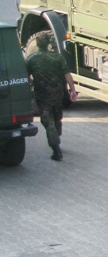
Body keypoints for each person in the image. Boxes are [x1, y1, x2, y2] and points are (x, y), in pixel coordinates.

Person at [25, 33, 77, 161]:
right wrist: (73, 90)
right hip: (58, 94)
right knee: (57, 117)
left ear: (37, 44)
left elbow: (26, 77)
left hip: (43, 95)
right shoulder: (57, 58)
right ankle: (57, 136)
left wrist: (34, 83)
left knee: (48, 122)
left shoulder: (31, 59)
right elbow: (67, 74)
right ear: (49, 44)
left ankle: (56, 149)